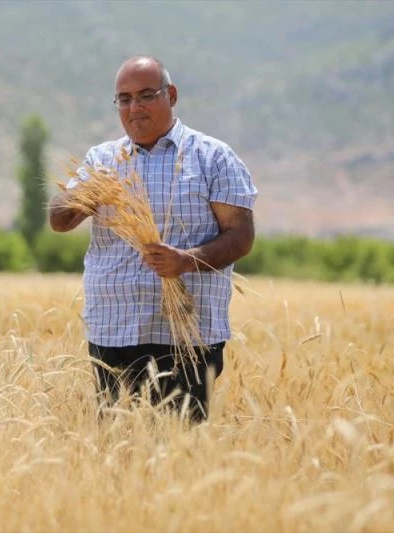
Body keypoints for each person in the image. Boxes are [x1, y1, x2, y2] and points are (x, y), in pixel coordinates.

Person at [49, 56, 257, 422]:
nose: (134, 108)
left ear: (171, 95)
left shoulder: (213, 158)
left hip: (187, 335)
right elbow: (58, 220)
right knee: (117, 450)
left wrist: (185, 260)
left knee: (181, 450)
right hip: (113, 329)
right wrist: (88, 194)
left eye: (146, 95)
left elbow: (241, 237)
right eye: (124, 99)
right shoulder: (102, 160)